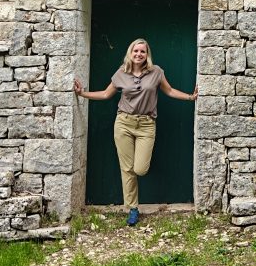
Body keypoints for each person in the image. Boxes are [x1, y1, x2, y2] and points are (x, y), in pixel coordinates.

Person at [73, 38, 197, 226]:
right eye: (135, 51)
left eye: (143, 51)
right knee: (127, 169)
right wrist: (83, 93)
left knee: (140, 168)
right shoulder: (121, 73)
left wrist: (191, 97)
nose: (139, 54)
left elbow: (169, 91)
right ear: (130, 53)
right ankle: (132, 208)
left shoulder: (156, 72)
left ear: (147, 55)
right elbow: (106, 94)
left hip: (147, 124)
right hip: (124, 123)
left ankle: (133, 205)